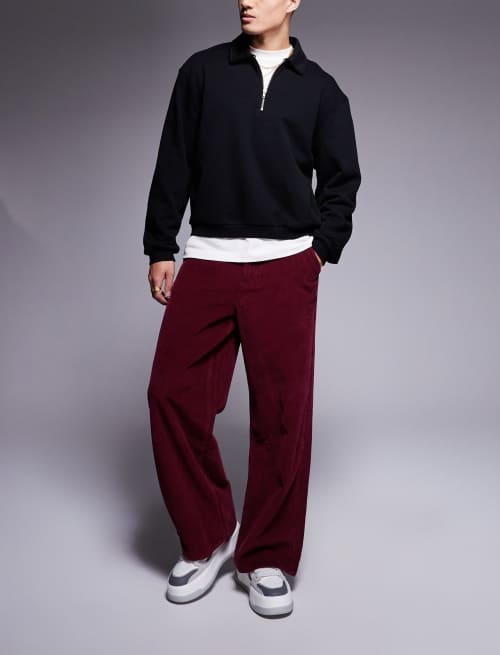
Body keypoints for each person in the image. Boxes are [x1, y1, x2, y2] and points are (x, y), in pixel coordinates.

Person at [143, 0, 361, 618]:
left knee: (283, 415)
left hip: (286, 265)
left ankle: (266, 554)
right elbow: (175, 157)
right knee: (172, 395)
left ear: (293, 0)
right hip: (208, 260)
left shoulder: (322, 91)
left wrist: (320, 251)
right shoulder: (202, 72)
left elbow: (342, 181)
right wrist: (161, 245)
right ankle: (208, 534)